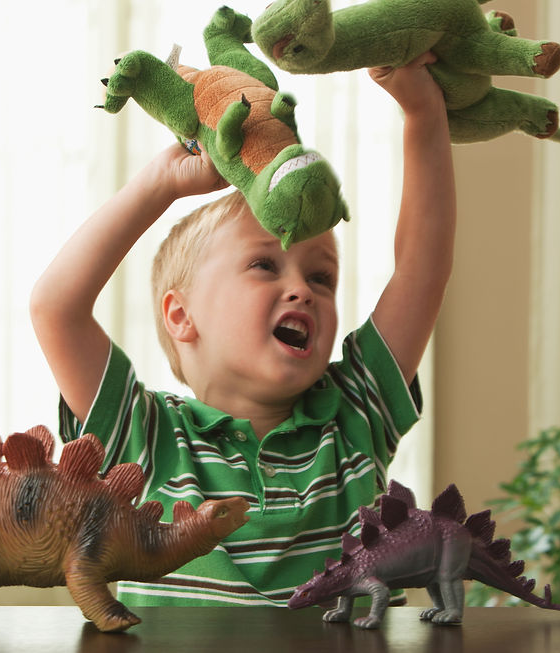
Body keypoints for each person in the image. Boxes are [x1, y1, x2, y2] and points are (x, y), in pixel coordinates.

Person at [30, 52, 455, 608]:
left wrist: (424, 115)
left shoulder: (355, 416)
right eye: (265, 265)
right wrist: (160, 185)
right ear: (181, 316)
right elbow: (55, 308)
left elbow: (421, 269)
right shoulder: (145, 436)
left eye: (322, 276)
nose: (302, 288)